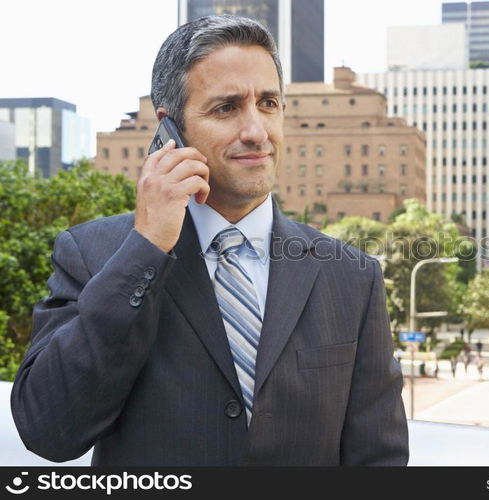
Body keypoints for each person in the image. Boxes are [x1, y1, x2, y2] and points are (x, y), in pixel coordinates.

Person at [10, 16, 408, 466]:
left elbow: (380, 459)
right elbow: (48, 430)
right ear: (170, 128)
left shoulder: (351, 276)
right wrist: (147, 247)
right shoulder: (93, 254)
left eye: (269, 103)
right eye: (226, 108)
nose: (257, 131)